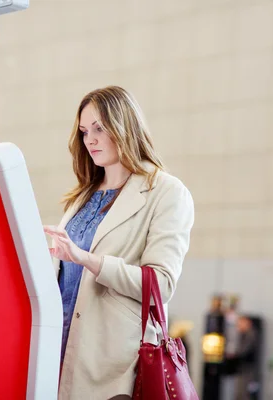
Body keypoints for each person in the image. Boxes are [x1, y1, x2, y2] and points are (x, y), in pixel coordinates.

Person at [44, 85, 195, 400]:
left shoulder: (165, 192)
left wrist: (87, 259)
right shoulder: (82, 196)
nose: (91, 140)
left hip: (113, 364)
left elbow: (161, 284)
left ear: (124, 125)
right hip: (56, 352)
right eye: (85, 131)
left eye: (100, 128)